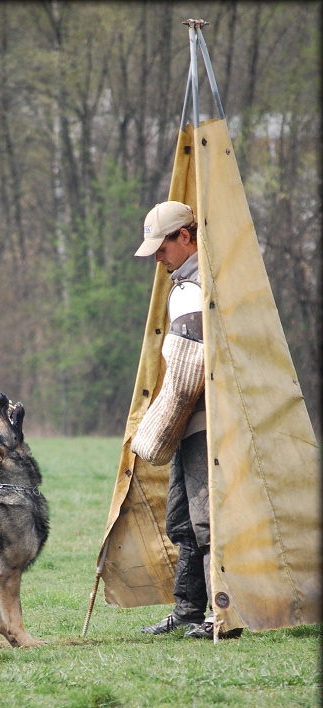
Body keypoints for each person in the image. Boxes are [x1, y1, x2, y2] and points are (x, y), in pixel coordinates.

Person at [134, 201, 242, 640]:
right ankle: (187, 612)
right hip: (189, 422)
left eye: (162, 246)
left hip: (204, 421)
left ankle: (223, 618)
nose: (157, 256)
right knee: (182, 518)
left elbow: (187, 374)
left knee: (206, 521)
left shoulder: (197, 286)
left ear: (186, 236)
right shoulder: (185, 281)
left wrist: (157, 428)